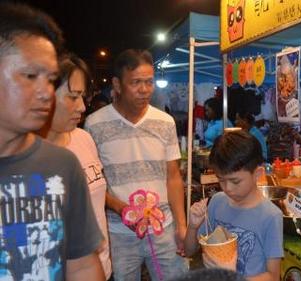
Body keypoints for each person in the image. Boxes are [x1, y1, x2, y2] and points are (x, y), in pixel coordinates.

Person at [0, 3, 104, 280]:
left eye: (50, 79)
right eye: (31, 75)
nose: (46, 92)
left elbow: (81, 264)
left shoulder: (62, 164)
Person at [85, 49, 187, 281]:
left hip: (164, 228)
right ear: (117, 84)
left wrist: (181, 226)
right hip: (119, 234)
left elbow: (173, 177)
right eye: (136, 82)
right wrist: (120, 207)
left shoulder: (165, 122)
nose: (144, 90)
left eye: (149, 82)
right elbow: (94, 182)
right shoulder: (94, 125)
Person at [37, 54, 112, 279]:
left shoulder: (83, 138)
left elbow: (97, 195)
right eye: (72, 96)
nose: (82, 106)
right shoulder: (24, 157)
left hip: (99, 268)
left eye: (82, 97)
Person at [185, 130, 283, 281]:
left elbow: (273, 276)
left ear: (258, 174)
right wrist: (193, 227)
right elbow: (189, 251)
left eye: (235, 181)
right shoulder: (217, 202)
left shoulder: (271, 216)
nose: (227, 188)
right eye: (221, 180)